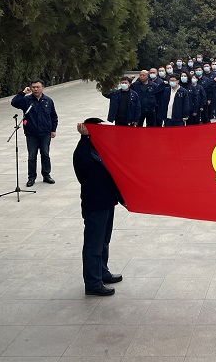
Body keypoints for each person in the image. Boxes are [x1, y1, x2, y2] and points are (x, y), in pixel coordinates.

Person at [74, 118, 124, 296]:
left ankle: (102, 272)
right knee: (93, 245)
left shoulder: (100, 149)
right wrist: (85, 137)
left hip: (107, 202)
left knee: (103, 241)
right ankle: (93, 283)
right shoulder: (84, 151)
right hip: (95, 204)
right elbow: (84, 173)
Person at [11, 79, 58, 186]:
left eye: (38, 87)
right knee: (32, 156)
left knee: (45, 154)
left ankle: (46, 175)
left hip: (45, 133)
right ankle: (31, 177)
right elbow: (14, 103)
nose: (36, 89)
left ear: (42, 88)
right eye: (33, 87)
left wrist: (53, 130)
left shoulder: (48, 100)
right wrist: (23, 93)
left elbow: (53, 116)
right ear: (30, 88)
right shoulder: (26, 100)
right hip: (31, 133)